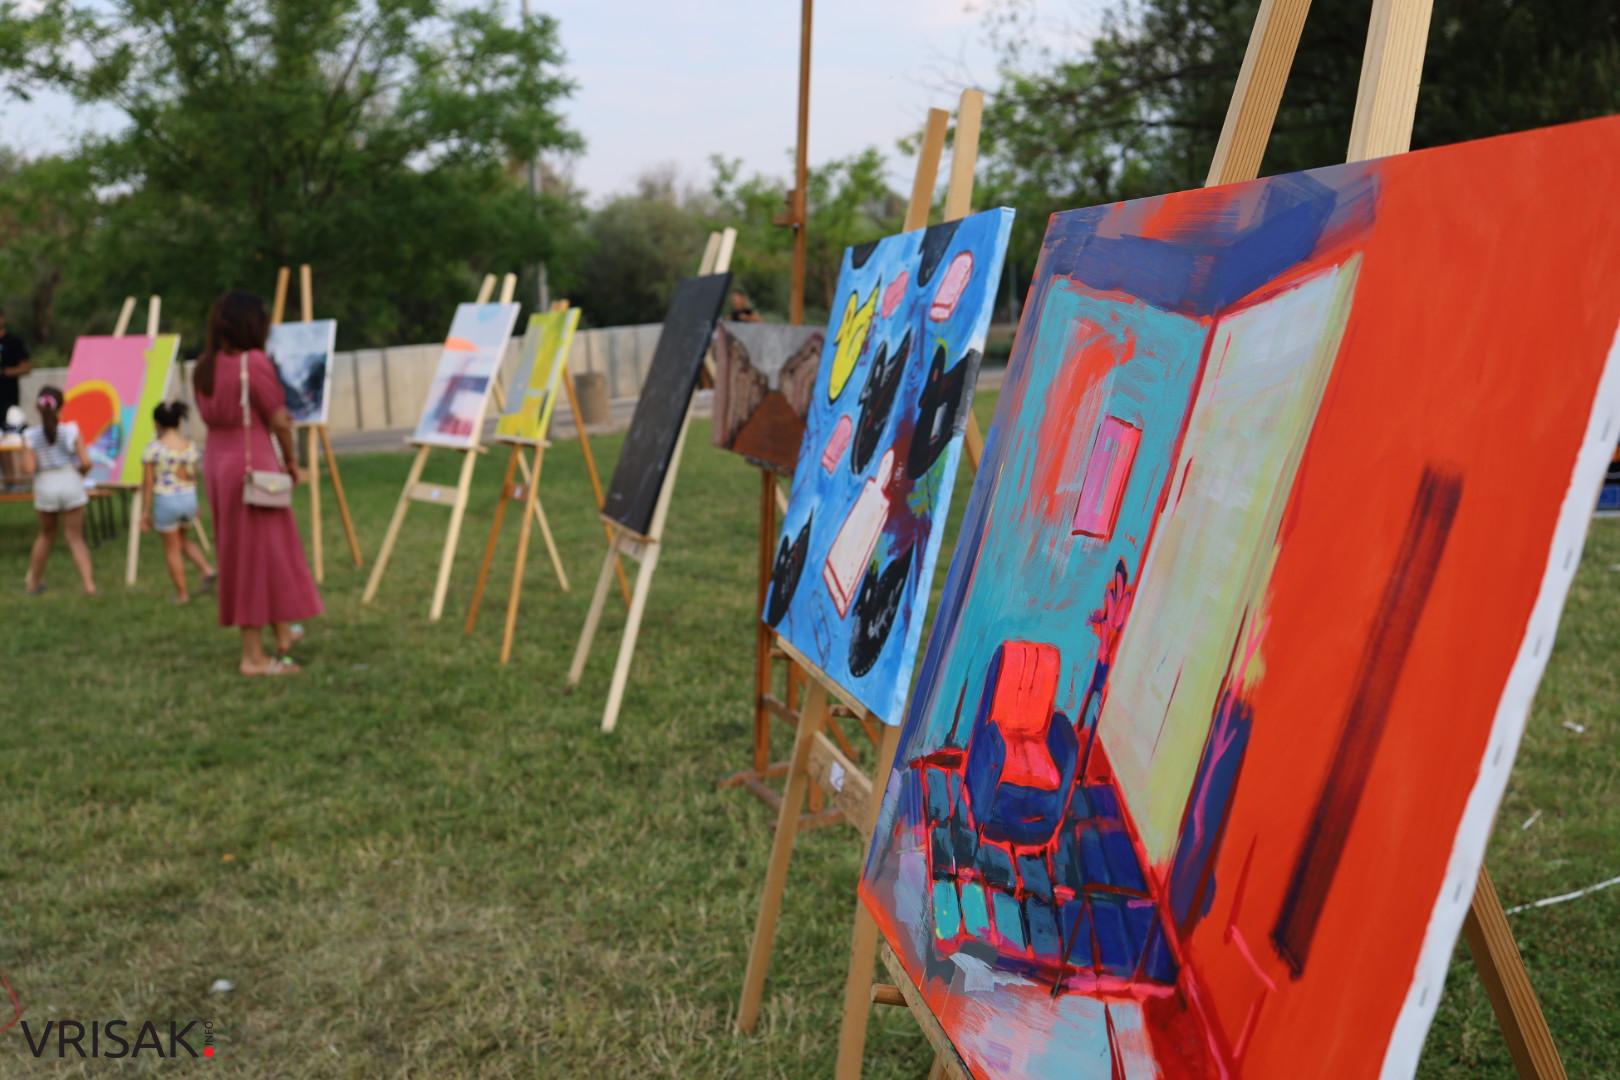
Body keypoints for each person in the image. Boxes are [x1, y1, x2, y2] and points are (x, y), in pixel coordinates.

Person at [192, 291, 322, 676]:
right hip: (254, 465)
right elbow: (278, 419)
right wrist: (292, 461)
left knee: (251, 549)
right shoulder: (254, 363)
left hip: (220, 464)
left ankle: (281, 630)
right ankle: (253, 656)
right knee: (258, 553)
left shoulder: (205, 367)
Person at [140, 400, 217, 604]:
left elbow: (148, 483)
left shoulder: (153, 449)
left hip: (167, 501)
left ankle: (182, 594)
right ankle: (206, 569)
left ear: (157, 423)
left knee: (171, 548)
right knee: (182, 540)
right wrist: (196, 503)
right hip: (188, 499)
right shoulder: (189, 447)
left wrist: (145, 512)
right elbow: (192, 477)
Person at [22, 386, 96, 595]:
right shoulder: (71, 430)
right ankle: (89, 585)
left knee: (46, 535)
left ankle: (33, 583)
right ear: (61, 406)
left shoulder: (30, 435)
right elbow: (86, 461)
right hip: (70, 481)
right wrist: (78, 475)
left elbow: (28, 468)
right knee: (75, 537)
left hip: (45, 484)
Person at [0, 309, 32, 490]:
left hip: (9, 401)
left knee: (14, 438)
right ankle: (9, 481)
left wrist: (4, 372)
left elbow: (26, 367)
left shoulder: (13, 342)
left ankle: (20, 480)